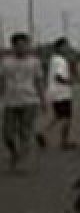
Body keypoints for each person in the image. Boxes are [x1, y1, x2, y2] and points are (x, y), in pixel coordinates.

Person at [1, 33, 46, 170]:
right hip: (10, 101)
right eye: (18, 45)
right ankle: (14, 152)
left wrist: (43, 99)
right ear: (13, 46)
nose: (22, 48)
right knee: (7, 133)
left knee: (25, 132)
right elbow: (1, 82)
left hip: (29, 100)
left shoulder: (34, 62)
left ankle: (21, 160)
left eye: (24, 45)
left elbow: (38, 81)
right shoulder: (5, 62)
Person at [43, 38, 76, 150]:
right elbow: (59, 77)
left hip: (54, 92)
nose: (68, 48)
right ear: (60, 47)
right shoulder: (61, 61)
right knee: (67, 118)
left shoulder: (53, 59)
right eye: (66, 46)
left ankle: (44, 132)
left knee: (59, 116)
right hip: (62, 92)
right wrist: (70, 82)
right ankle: (64, 142)